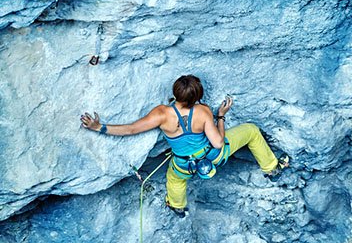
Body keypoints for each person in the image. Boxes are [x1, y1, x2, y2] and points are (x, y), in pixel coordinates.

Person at [80, 75, 289, 217]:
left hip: (184, 166)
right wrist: (220, 117)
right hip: (213, 156)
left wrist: (99, 127)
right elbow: (217, 141)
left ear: (175, 93)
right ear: (197, 97)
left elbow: (132, 129)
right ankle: (272, 169)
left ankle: (178, 207)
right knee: (251, 131)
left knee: (175, 179)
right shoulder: (203, 111)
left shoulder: (161, 114)